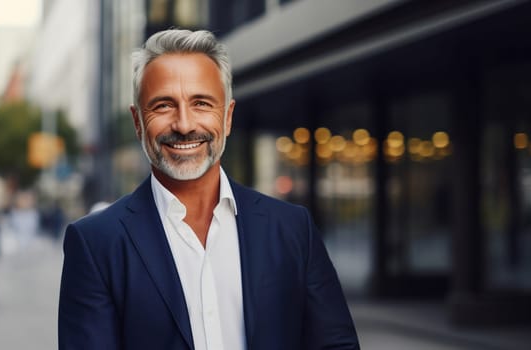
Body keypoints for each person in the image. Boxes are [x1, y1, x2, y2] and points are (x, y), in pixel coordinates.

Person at [58, 29, 359, 349]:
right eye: (163, 106)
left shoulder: (292, 229)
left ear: (227, 117)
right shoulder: (95, 244)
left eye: (201, 103)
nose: (184, 124)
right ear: (137, 123)